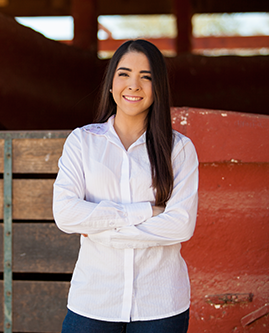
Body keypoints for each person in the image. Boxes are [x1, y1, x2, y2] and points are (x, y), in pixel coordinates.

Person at [53, 39, 199, 333]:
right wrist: (144, 212)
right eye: (124, 74)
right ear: (110, 84)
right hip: (93, 302)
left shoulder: (179, 149)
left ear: (158, 89)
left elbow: (180, 225)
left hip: (160, 306)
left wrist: (102, 231)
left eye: (146, 77)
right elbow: (66, 214)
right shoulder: (83, 143)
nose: (133, 85)